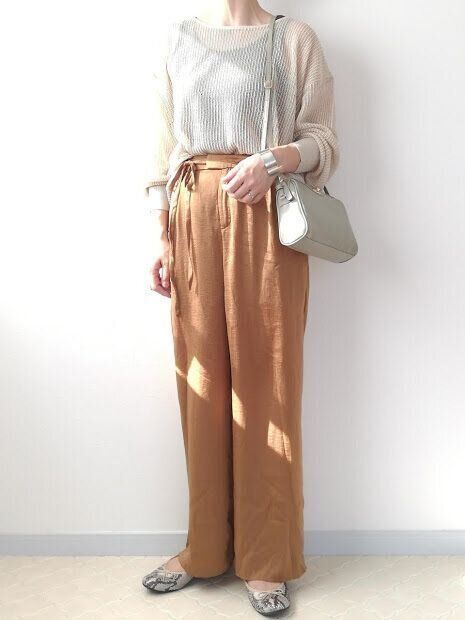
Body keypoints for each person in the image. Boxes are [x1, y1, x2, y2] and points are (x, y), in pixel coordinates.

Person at [142, 0, 339, 615]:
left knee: (266, 384)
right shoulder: (178, 40)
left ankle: (267, 558)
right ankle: (204, 549)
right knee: (200, 387)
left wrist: (272, 161)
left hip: (269, 218)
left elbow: (323, 140)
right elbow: (164, 147)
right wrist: (163, 238)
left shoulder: (294, 39)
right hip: (192, 215)